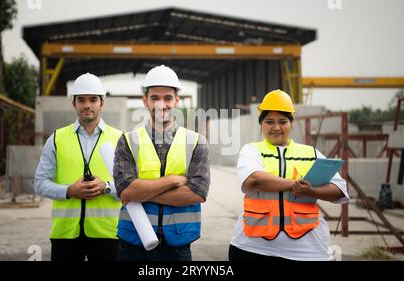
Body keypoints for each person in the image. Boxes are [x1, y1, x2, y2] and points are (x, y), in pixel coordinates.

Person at [228, 89, 349, 261]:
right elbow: (253, 180)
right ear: (261, 124)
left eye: (282, 121)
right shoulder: (252, 150)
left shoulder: (310, 153)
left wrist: (311, 191)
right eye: (269, 121)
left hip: (306, 249)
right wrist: (294, 185)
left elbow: (339, 189)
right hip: (253, 246)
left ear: (291, 123)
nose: (276, 127)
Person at [113, 65, 210, 261]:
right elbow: (126, 192)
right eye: (155, 98)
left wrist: (142, 192)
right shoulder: (128, 140)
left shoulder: (196, 141)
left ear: (176, 100)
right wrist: (174, 180)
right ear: (145, 101)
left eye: (167, 98)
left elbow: (198, 193)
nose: (161, 104)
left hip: (178, 243)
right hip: (134, 241)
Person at [34, 73, 123, 261]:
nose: (87, 105)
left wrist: (106, 187)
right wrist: (69, 190)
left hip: (108, 234)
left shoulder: (120, 140)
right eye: (81, 100)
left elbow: (132, 186)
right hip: (66, 235)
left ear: (102, 103)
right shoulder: (57, 139)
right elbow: (40, 183)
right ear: (73, 103)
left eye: (93, 99)